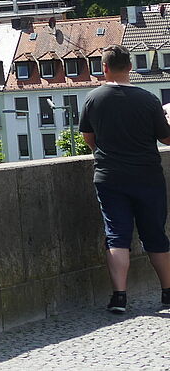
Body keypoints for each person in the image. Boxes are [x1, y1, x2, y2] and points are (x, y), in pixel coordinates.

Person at [79, 44, 170, 313]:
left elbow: (88, 138)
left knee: (116, 235)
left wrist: (106, 154)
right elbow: (166, 138)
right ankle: (167, 292)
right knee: (155, 234)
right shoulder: (148, 99)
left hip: (110, 176)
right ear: (130, 68)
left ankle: (119, 296)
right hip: (147, 176)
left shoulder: (93, 98)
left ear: (104, 68)